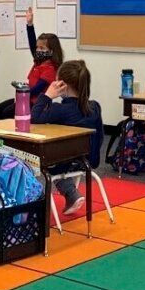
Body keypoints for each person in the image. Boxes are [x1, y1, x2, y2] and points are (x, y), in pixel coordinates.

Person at [31, 60, 103, 214]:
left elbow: (34, 117)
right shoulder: (94, 107)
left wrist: (47, 96)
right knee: (62, 157)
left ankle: (66, 194)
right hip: (87, 161)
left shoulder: (60, 110)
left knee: (37, 160)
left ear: (63, 85)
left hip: (64, 164)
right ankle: (71, 193)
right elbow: (101, 136)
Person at [0, 8, 63, 120]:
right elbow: (32, 43)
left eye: (42, 48)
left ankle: (11, 136)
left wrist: (21, 92)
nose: (38, 50)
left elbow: (37, 89)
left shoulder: (50, 69)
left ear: (51, 50)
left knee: (6, 112)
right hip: (27, 98)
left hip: (36, 104)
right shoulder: (39, 62)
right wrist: (29, 25)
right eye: (38, 47)